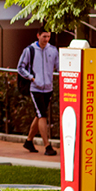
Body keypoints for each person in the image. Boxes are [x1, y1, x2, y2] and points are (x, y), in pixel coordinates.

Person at [18, 28, 59, 156]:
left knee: (39, 114)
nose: (46, 39)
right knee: (42, 115)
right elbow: (20, 67)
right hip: (35, 88)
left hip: (48, 88)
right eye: (44, 36)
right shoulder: (29, 50)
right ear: (38, 36)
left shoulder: (53, 50)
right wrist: (32, 78)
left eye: (48, 37)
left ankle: (29, 141)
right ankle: (47, 146)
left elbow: (59, 67)